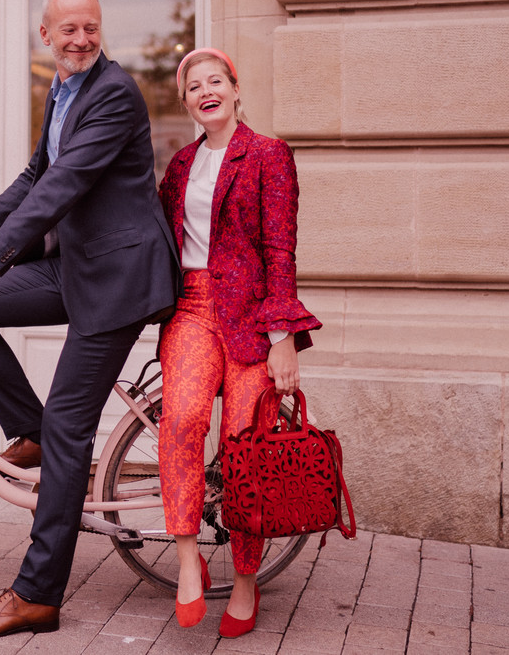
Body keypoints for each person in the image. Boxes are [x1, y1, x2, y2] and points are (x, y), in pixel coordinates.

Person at [0, 0, 179, 637]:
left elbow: (66, 186)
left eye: (90, 27)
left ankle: (37, 595)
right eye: (68, 29)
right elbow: (38, 174)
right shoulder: (61, 89)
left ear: (100, 30)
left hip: (117, 279)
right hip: (75, 265)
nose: (80, 38)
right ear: (47, 35)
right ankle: (30, 429)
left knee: (72, 426)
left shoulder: (114, 92)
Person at [156, 47, 321, 638]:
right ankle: (186, 562)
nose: (206, 91)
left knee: (244, 446)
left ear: (234, 87)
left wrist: (282, 337)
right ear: (186, 103)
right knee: (178, 420)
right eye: (193, 86)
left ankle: (246, 578)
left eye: (215, 81)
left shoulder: (269, 154)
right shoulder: (179, 166)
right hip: (193, 309)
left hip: (254, 316)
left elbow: (281, 249)